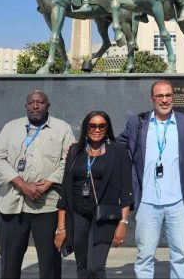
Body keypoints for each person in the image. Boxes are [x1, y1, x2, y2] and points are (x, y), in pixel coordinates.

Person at [117, 79, 184, 279]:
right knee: (144, 257)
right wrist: (84, 145)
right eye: (160, 96)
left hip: (179, 202)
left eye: (168, 95)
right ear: (152, 98)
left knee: (180, 256)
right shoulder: (137, 123)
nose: (164, 100)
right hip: (147, 202)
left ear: (173, 97)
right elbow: (117, 145)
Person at [0, 90, 74, 279]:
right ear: (26, 106)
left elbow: (69, 160)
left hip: (47, 205)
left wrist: (49, 182)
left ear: (48, 106)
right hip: (13, 206)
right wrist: (21, 184)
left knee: (50, 265)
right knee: (9, 265)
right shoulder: (11, 127)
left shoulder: (62, 128)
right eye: (31, 103)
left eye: (40, 102)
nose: (35, 106)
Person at [55, 111, 133, 279]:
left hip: (104, 216)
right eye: (92, 126)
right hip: (78, 215)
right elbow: (65, 191)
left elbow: (126, 191)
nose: (97, 130)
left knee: (95, 267)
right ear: (86, 127)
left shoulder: (118, 151)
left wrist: (123, 222)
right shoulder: (75, 150)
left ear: (107, 128)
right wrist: (61, 228)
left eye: (101, 126)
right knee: (82, 267)